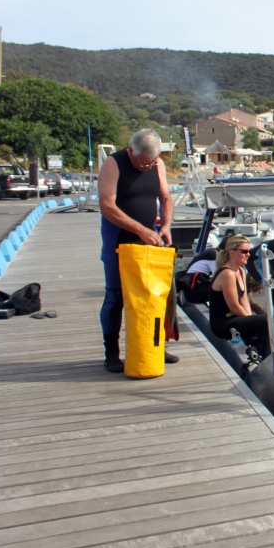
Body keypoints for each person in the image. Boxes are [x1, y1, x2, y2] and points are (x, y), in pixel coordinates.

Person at [98, 129, 177, 372]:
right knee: (117, 296)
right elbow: (106, 206)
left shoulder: (156, 164)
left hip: (150, 240)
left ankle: (154, 346)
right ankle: (111, 351)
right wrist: (139, 229)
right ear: (131, 151)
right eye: (144, 162)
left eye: (152, 162)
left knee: (155, 295)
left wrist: (165, 225)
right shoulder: (114, 164)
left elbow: (165, 199)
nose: (147, 167)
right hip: (119, 240)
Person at [209, 235, 270, 357]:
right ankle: (265, 357)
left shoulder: (241, 270)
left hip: (234, 319)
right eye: (244, 251)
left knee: (272, 324)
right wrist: (251, 323)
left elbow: (244, 300)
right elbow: (234, 306)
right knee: (265, 321)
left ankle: (263, 353)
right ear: (232, 253)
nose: (248, 254)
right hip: (222, 324)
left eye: (249, 251)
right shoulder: (227, 274)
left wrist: (250, 321)